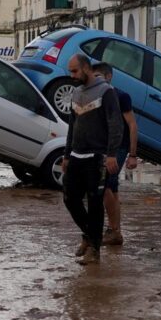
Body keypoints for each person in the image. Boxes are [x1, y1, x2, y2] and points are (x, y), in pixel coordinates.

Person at [62, 54, 123, 265]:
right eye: (70, 71)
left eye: (75, 71)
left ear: (86, 68)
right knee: (70, 198)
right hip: (77, 156)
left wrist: (112, 154)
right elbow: (72, 126)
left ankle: (94, 251)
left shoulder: (107, 92)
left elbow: (116, 125)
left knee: (95, 202)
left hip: (97, 157)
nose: (72, 76)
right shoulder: (76, 93)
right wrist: (66, 155)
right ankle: (89, 235)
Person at [92, 62, 139, 247]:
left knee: (105, 188)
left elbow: (132, 125)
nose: (95, 81)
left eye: (98, 77)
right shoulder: (96, 96)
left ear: (109, 77)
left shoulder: (121, 96)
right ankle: (116, 232)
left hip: (118, 148)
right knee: (113, 189)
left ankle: (112, 231)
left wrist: (133, 154)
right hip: (103, 148)